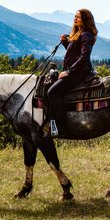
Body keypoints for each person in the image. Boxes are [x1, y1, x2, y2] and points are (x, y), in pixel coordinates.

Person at [45, 9, 98, 137]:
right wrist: (65, 42)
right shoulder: (78, 33)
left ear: (85, 20)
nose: (75, 19)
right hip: (75, 70)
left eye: (78, 17)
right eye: (75, 16)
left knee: (53, 92)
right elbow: (74, 52)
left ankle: (62, 128)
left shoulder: (86, 34)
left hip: (80, 72)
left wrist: (69, 71)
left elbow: (84, 57)